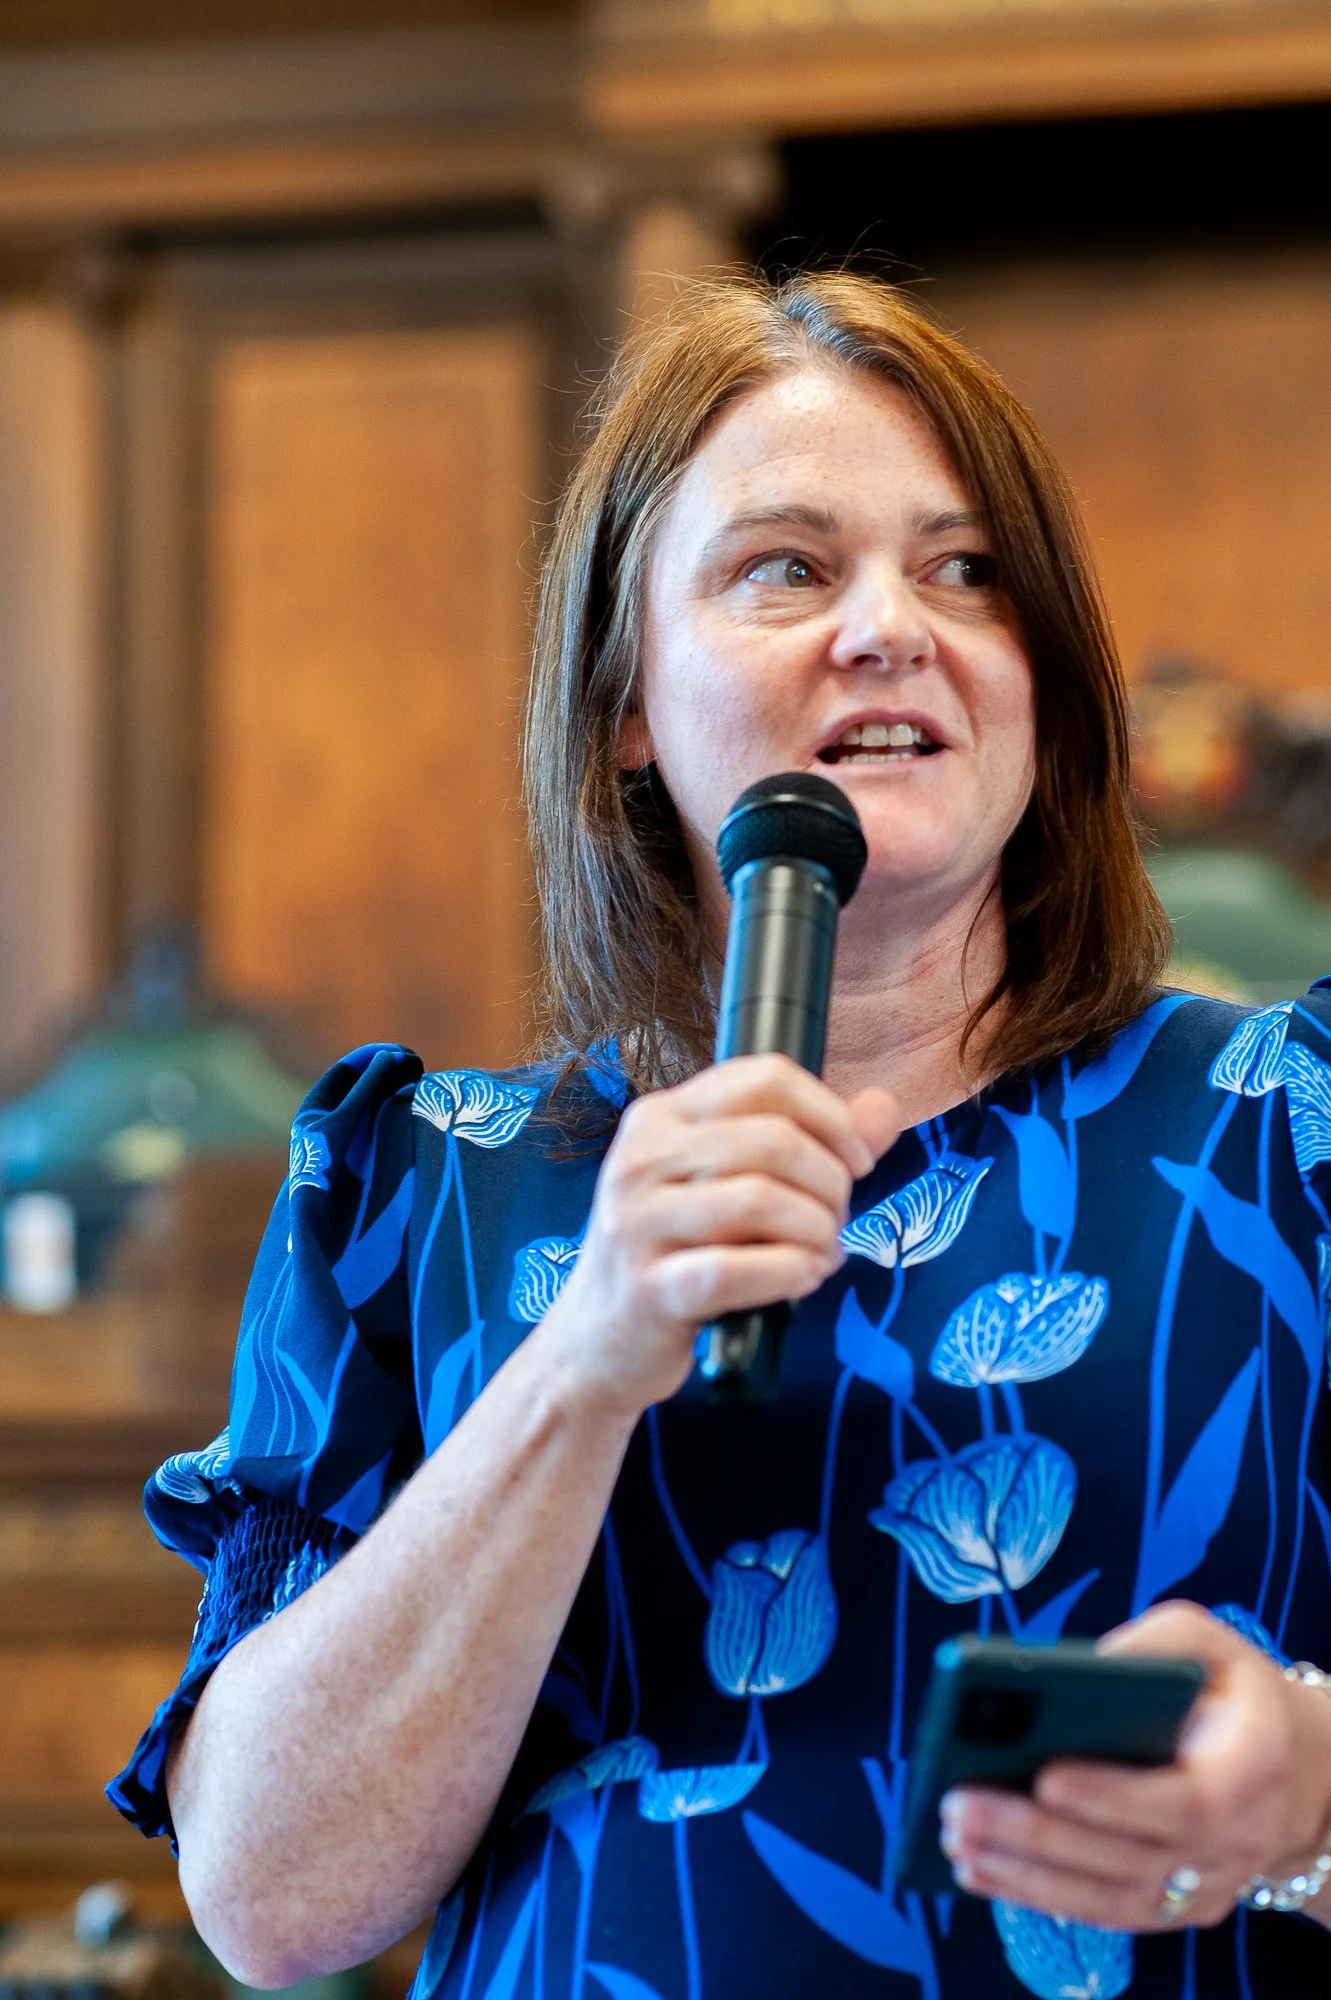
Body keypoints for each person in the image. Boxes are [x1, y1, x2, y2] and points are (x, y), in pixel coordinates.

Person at [110, 273, 1331, 2000]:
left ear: (1040, 677)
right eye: (787, 567)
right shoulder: (424, 1188)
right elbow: (273, 1901)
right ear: (626, 699)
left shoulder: (1291, 1128)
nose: (889, 626)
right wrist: (577, 1364)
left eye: (964, 569)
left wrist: (1305, 1784)